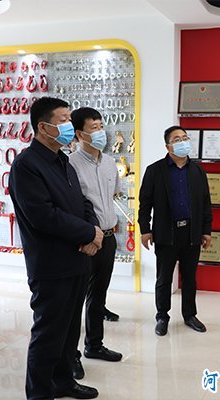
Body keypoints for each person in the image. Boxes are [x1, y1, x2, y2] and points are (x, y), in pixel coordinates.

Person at [9, 97, 102, 400]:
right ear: (43, 127)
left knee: (70, 330)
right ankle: (39, 393)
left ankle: (64, 382)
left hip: (77, 260)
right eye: (63, 120)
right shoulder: (26, 166)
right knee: (48, 334)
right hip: (51, 266)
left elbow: (82, 202)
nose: (69, 126)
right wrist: (88, 232)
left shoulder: (63, 160)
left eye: (69, 120)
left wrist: (93, 231)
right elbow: (44, 216)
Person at [138, 125, 213, 336]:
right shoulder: (155, 170)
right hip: (166, 233)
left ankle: (189, 315)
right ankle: (162, 316)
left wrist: (206, 230)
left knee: (190, 277)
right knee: (164, 278)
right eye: (177, 139)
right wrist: (145, 230)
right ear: (168, 146)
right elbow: (145, 204)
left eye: (185, 138)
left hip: (191, 233)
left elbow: (206, 203)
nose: (183, 142)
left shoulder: (197, 171)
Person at [68, 107, 123, 379]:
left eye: (102, 126)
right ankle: (71, 356)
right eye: (94, 128)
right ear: (80, 134)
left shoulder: (110, 162)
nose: (101, 132)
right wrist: (87, 236)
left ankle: (94, 345)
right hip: (85, 242)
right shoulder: (70, 165)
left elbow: (113, 195)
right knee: (75, 301)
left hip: (108, 239)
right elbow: (72, 207)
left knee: (98, 295)